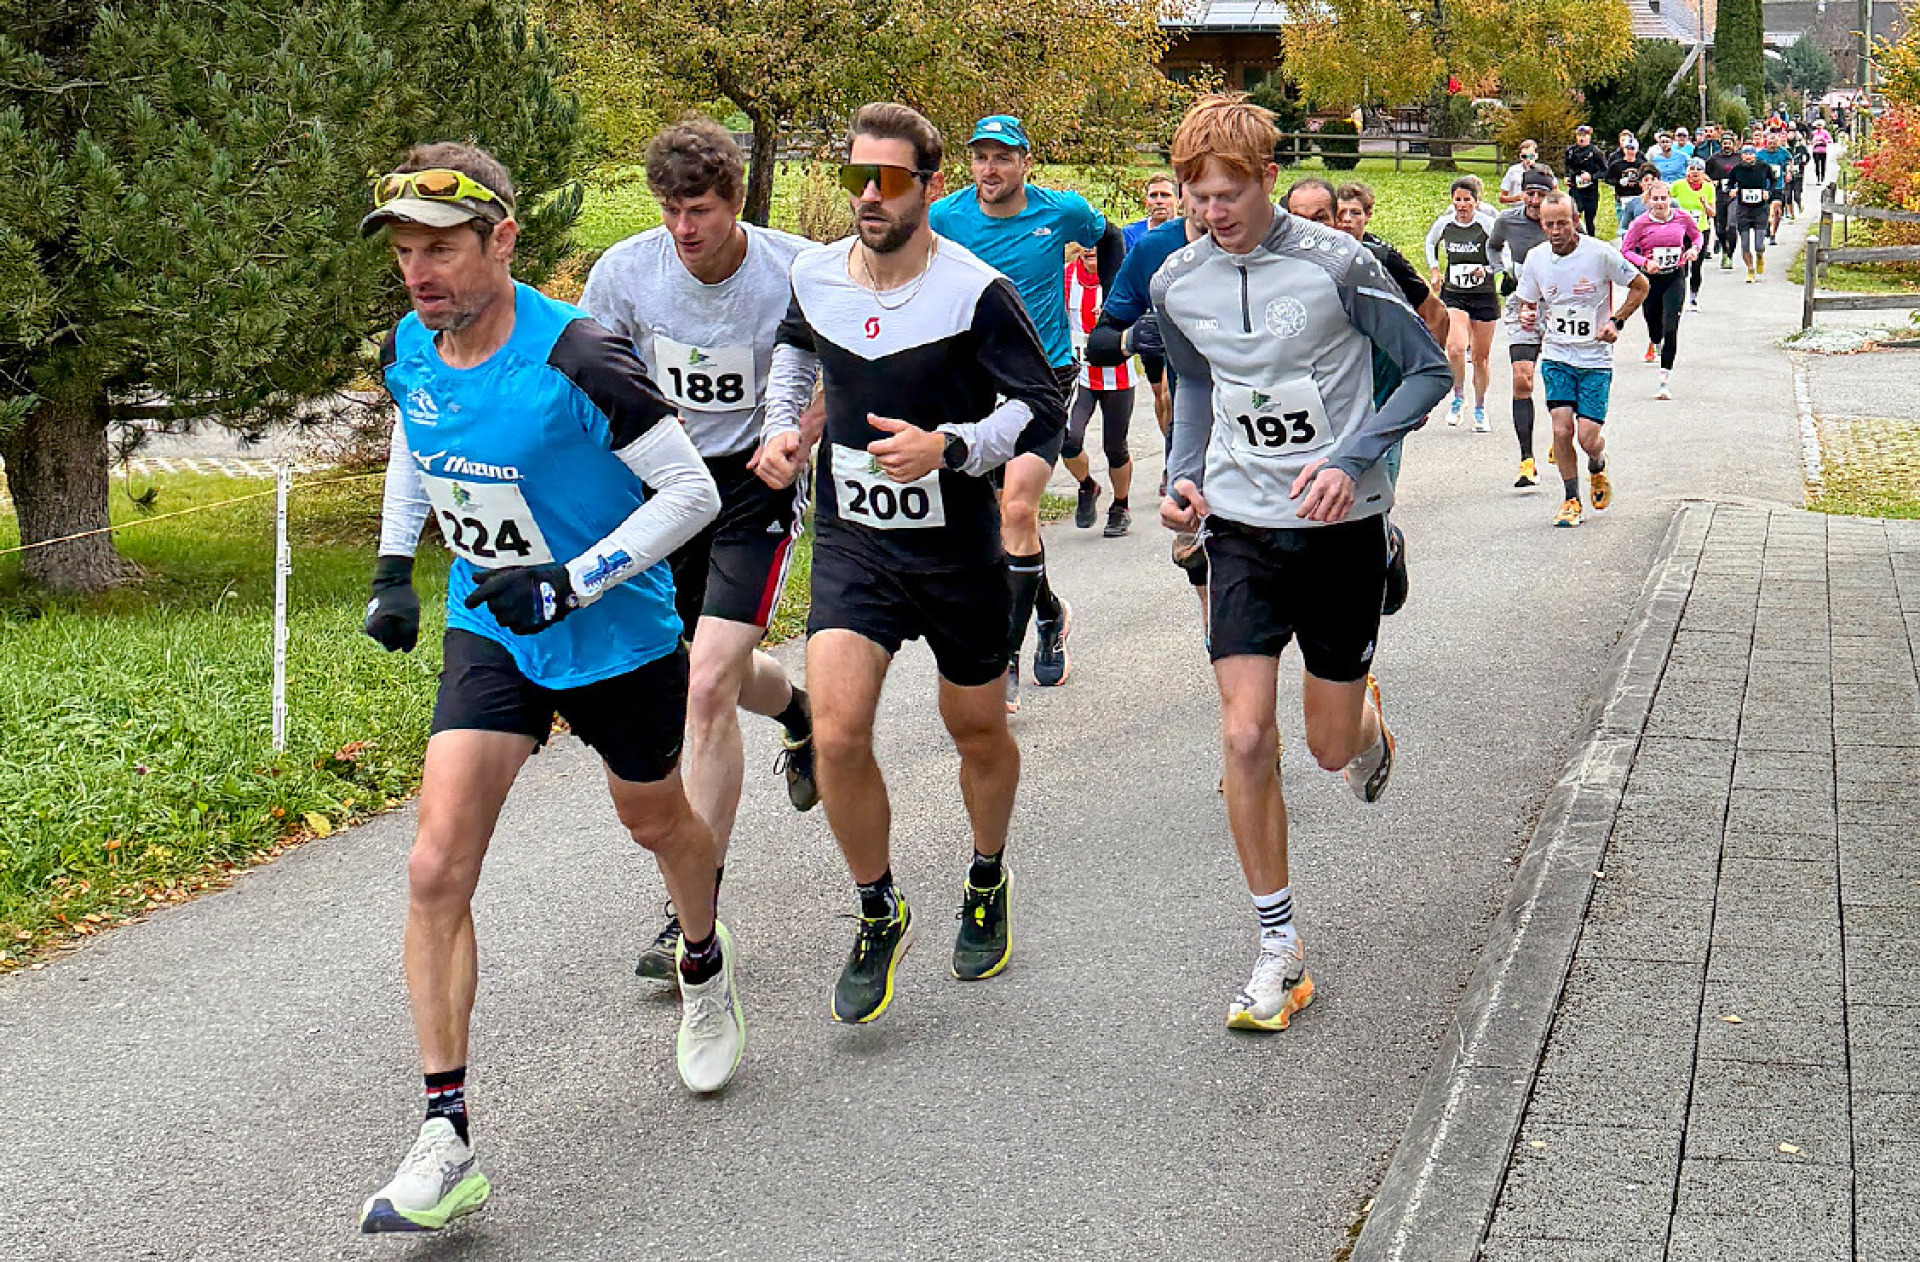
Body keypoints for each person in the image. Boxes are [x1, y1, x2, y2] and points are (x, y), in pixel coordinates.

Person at [356, 143, 733, 1233]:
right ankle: (445, 1134)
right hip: (493, 625)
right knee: (436, 863)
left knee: (653, 817)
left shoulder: (580, 353)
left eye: (441, 249)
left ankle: (702, 958)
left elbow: (690, 490)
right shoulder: (413, 341)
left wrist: (576, 578)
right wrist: (394, 565)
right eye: (405, 253)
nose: (419, 273)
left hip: (614, 631)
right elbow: (415, 435)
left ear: (502, 238)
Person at [752, 102, 1066, 1024]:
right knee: (841, 734)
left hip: (955, 548)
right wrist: (782, 429)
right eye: (858, 178)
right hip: (855, 544)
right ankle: (879, 907)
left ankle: (985, 875)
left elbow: (1039, 407)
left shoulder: (972, 290)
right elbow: (793, 351)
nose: (870, 197)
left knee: (976, 730)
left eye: (890, 180)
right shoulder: (816, 274)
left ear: (931, 186)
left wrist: (953, 447)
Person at [1152, 94, 1448, 1033]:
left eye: (1228, 192)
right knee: (1244, 737)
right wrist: (1181, 474)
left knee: (1324, 748)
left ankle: (1363, 720)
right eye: (1198, 196)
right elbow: (1195, 380)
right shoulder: (1177, 279)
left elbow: (1429, 368)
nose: (1212, 211)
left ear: (1268, 178)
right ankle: (1279, 950)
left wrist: (1353, 458)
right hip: (1239, 524)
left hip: (1340, 524)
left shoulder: (1341, 266)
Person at [578, 119, 822, 982]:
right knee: (697, 670)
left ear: (736, 201)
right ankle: (799, 712)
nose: (686, 229)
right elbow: (589, 372)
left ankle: (692, 907)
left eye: (703, 211)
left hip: (757, 480)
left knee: (710, 682)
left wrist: (792, 431)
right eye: (673, 210)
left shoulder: (793, 268)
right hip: (667, 485)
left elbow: (845, 370)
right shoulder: (625, 271)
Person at [929, 114, 1124, 711]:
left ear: (1025, 162)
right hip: (973, 380)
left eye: (1003, 157)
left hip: (1043, 376)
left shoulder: (1061, 211)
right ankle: (1049, 611)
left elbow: (1109, 239)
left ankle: (1001, 661)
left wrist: (1112, 315)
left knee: (1017, 506)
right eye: (981, 156)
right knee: (997, 519)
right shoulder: (946, 217)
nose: (991, 168)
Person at [1517, 192, 1650, 529]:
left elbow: (1640, 285)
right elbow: (1527, 303)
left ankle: (1597, 464)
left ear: (1576, 220)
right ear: (1541, 224)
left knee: (1587, 438)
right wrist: (1527, 316)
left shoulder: (1600, 254)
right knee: (1561, 429)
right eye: (1549, 224)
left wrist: (1616, 321)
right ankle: (1570, 499)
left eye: (1563, 222)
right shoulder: (1536, 258)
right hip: (1558, 355)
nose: (1556, 230)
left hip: (1595, 359)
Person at [1489, 166, 1556, 486]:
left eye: (1540, 195)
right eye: (1529, 193)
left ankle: (1562, 434)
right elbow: (1492, 245)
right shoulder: (1507, 220)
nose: (1533, 200)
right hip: (1521, 304)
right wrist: (1503, 271)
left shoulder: (1561, 221)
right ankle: (1527, 459)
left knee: (1560, 377)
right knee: (1522, 379)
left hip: (1557, 306)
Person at [1062, 242, 1135, 536]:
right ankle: (1087, 486)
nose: (1091, 250)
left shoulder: (1120, 278)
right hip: (1081, 375)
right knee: (1068, 440)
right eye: (1085, 244)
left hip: (1118, 376)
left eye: (1096, 245)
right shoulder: (1066, 276)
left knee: (1115, 447)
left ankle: (1120, 507)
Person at [1424, 176, 1501, 431]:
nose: (1462, 204)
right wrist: (1435, 270)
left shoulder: (1487, 225)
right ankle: (1458, 398)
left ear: (1476, 202)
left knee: (1480, 357)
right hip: (1454, 293)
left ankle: (1479, 407)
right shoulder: (1445, 224)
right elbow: (1430, 242)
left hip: (1484, 296)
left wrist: (1487, 270)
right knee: (1455, 348)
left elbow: (1505, 257)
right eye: (1457, 199)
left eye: (1467, 200)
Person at [1619, 179, 1703, 400]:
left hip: (1675, 276)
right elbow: (1625, 250)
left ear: (1670, 199)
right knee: (1654, 327)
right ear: (1649, 200)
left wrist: (1694, 249)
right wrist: (1645, 263)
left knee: (1671, 327)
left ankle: (1664, 380)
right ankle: (1655, 342)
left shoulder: (1682, 217)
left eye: (1663, 198)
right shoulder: (1640, 224)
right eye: (1655, 199)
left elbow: (1697, 235)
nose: (1660, 203)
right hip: (1650, 280)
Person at [1668, 158, 1717, 310]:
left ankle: (1693, 298)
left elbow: (1712, 213)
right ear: (1686, 172)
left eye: (1698, 170)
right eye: (1691, 169)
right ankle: (1679, 297)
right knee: (1681, 265)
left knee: (1697, 266)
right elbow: (1666, 202)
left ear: (1703, 173)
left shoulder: (1708, 188)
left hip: (1700, 230)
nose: (1694, 173)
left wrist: (1704, 205)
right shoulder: (1678, 185)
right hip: (1680, 232)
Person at [1727, 144, 1775, 281]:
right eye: (1745, 154)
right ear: (1741, 155)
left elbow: (1773, 180)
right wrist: (1732, 190)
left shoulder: (1763, 167)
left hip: (1760, 208)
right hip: (1743, 208)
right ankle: (1750, 269)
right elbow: (1729, 183)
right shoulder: (1737, 169)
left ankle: (1760, 256)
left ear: (1755, 155)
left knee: (1759, 244)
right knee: (1745, 244)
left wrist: (1768, 192)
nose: (1748, 156)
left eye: (1751, 154)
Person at [1705, 138, 1743, 271]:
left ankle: (1729, 255)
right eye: (1724, 144)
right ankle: (1724, 249)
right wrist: (1711, 182)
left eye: (1729, 144)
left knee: (1732, 226)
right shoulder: (1714, 159)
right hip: (1719, 195)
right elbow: (1704, 173)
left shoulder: (1740, 158)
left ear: (1734, 145)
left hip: (1734, 196)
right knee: (1720, 229)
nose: (1727, 146)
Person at [1564, 124, 1609, 236]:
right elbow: (1567, 167)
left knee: (1589, 220)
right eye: (1579, 135)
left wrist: (1592, 176)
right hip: (1575, 189)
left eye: (1584, 135)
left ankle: (1591, 240)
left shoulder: (1595, 152)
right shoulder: (1570, 151)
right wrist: (1566, 177)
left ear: (1589, 137)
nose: (1581, 138)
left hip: (1590, 191)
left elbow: (1605, 171)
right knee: (1574, 216)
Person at [1123, 172, 1179, 249]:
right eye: (1153, 195)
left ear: (1177, 200)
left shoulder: (1188, 232)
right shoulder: (1130, 234)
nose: (1159, 201)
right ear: (1146, 202)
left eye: (1165, 195)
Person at [1607, 132, 1647, 235]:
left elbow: (1648, 177)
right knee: (1624, 225)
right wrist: (1619, 182)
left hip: (1639, 196)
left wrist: (1638, 183)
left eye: (1632, 149)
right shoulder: (1616, 164)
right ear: (1624, 149)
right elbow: (1608, 178)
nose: (1630, 152)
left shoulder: (1642, 164)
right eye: (1628, 149)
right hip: (1622, 196)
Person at [1758, 131, 1790, 240]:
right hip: (1765, 187)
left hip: (1778, 185)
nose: (1772, 144)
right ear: (1766, 142)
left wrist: (1788, 172)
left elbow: (1789, 161)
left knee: (1777, 210)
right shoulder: (1760, 154)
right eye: (1770, 142)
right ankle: (1768, 227)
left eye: (1774, 142)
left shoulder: (1783, 152)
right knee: (1767, 210)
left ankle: (1773, 233)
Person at [1497, 139, 1542, 206]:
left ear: (1536, 156)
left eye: (1531, 156)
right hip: (1518, 208)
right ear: (1520, 156)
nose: (1528, 159)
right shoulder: (1513, 171)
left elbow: (1555, 192)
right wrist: (1517, 198)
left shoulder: (1543, 171)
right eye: (1524, 156)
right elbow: (1501, 198)